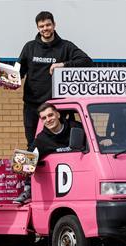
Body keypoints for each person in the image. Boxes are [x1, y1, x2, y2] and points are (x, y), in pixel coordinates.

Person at [17, 11, 93, 149]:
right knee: (32, 144)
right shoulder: (30, 47)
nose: (45, 28)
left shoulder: (65, 47)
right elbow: (19, 72)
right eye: (42, 26)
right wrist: (9, 80)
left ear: (54, 25)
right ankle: (35, 170)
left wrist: (63, 64)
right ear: (38, 28)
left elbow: (87, 61)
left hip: (57, 106)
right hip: (32, 105)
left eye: (48, 25)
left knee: (61, 144)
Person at [14, 103, 82, 203]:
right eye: (44, 118)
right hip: (58, 187)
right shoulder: (42, 139)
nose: (48, 120)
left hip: (81, 177)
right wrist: (19, 164)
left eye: (50, 115)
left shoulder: (76, 128)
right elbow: (27, 161)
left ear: (58, 115)